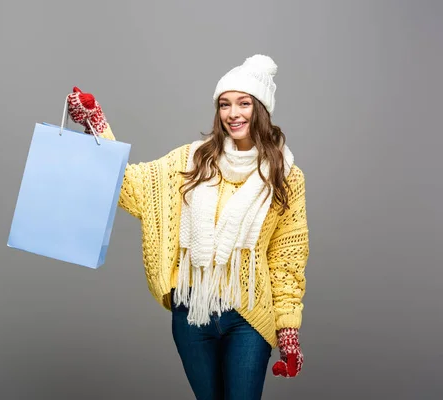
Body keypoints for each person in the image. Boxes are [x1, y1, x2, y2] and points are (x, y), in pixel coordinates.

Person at [66, 54, 309, 399]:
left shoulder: (286, 177)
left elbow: (288, 257)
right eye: (225, 104)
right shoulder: (192, 161)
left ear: (261, 109)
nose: (233, 113)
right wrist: (97, 126)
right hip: (192, 312)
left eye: (243, 103)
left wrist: (288, 329)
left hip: (249, 315)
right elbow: (132, 187)